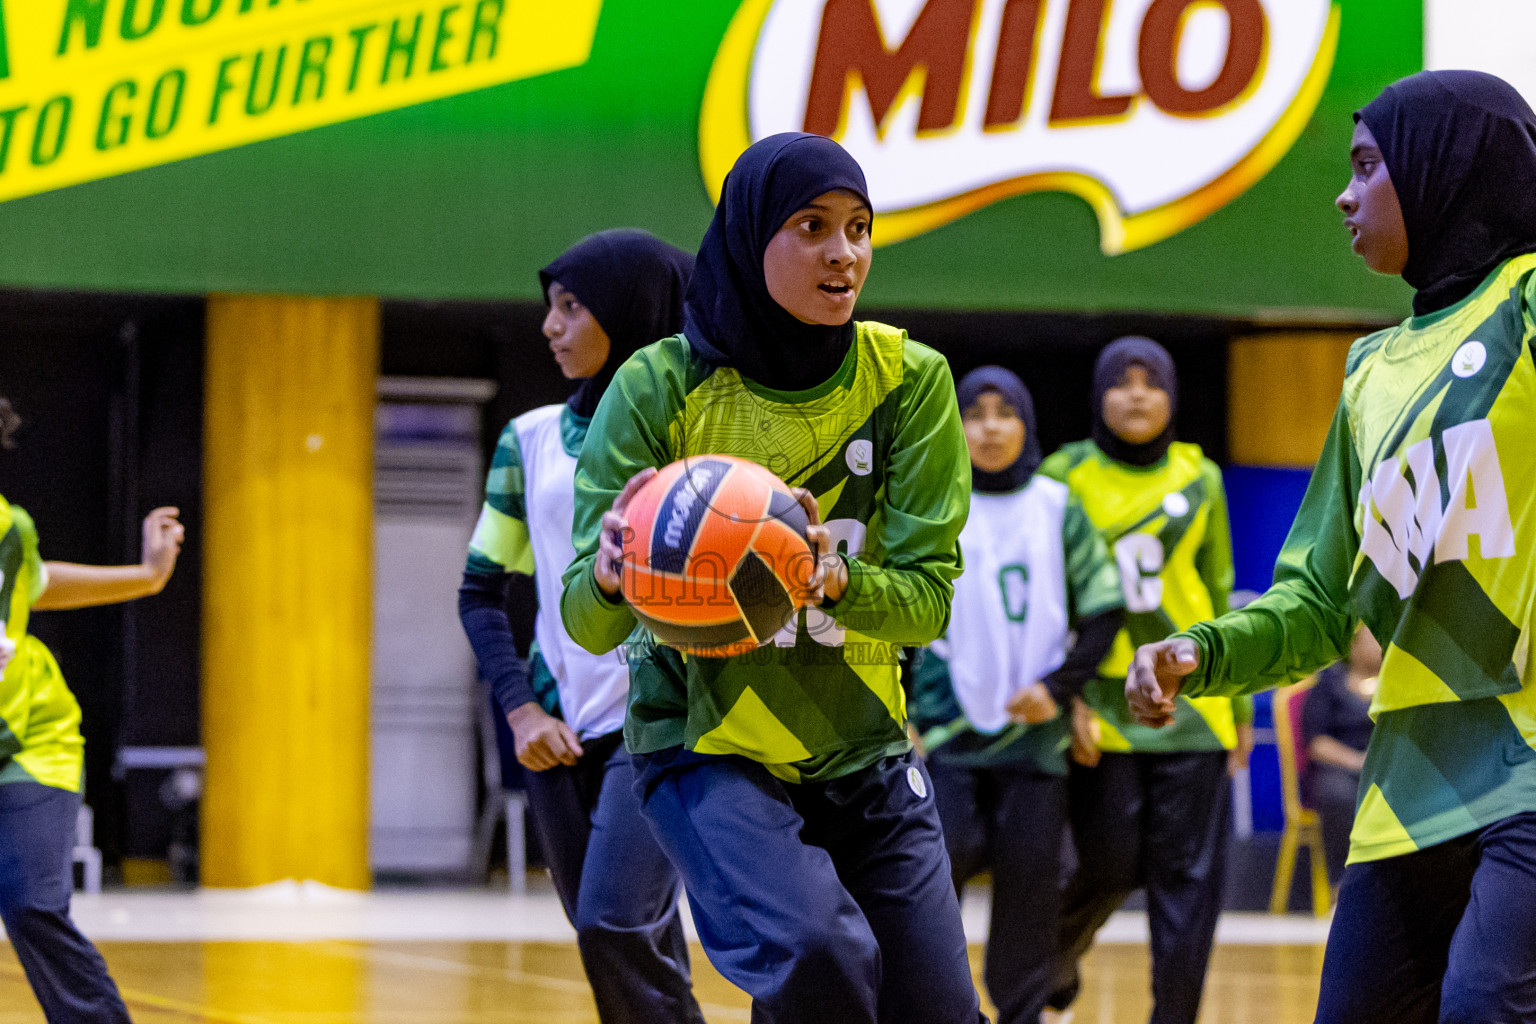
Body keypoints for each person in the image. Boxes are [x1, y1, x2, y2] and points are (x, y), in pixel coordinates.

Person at [1126, 70, 1536, 1024]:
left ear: (1446, 169)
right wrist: (1203, 649)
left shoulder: (1524, 306)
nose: (1344, 197)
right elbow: (1320, 602)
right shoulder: (1369, 371)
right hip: (1407, 786)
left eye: (1366, 166)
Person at [560, 133, 984, 1024]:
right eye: (812, 226)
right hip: (703, 741)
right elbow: (586, 624)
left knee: (938, 1010)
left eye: (860, 227)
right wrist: (606, 579)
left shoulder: (911, 380)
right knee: (820, 953)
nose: (844, 252)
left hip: (860, 739)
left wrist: (832, 579)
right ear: (752, 239)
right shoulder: (657, 385)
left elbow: (928, 603)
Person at [457, 229, 704, 1024]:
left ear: (634, 312)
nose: (550, 328)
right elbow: (480, 591)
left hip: (664, 720)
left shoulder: (704, 432)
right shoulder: (525, 440)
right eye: (548, 309)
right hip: (558, 723)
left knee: (614, 921)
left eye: (571, 307)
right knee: (622, 934)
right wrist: (521, 711)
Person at [1037, 337, 1252, 1024]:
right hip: (1099, 705)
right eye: (1122, 382)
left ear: (1172, 396)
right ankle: (1055, 963)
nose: (1137, 395)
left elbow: (1218, 593)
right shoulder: (1064, 474)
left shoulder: (1202, 476)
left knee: (1187, 888)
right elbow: (1049, 595)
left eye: (1151, 382)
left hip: (1193, 712)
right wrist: (1060, 695)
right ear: (1098, 394)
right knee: (1104, 866)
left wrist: (1238, 709)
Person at [909, 366, 1123, 1024]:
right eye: (975, 414)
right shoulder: (934, 504)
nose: (991, 427)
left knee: (1030, 895)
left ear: (1027, 423)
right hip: (948, 733)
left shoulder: (1057, 505)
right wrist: (907, 714)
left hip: (1036, 738)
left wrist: (1059, 692)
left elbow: (1104, 609)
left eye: (1005, 413)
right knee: (929, 881)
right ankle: (931, 1006)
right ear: (956, 426)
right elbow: (899, 618)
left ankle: (1024, 1013)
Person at [0, 397, 185, 1024]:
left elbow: (35, 584)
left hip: (30, 740)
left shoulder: (7, 529)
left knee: (31, 904)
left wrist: (147, 577)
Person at [1301, 626, 1380, 885]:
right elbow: (1317, 742)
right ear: (1354, 644)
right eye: (1374, 636)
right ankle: (1344, 883)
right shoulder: (1329, 683)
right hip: (1338, 768)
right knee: (1338, 793)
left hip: (1383, 768)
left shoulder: (1396, 683)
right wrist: (1357, 761)